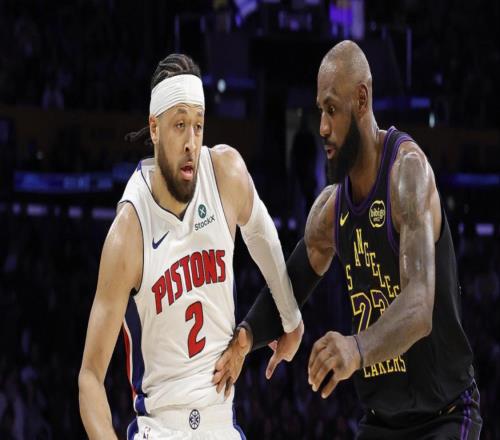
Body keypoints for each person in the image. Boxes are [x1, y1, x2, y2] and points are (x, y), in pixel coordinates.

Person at [213, 40, 482, 439]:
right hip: (380, 421)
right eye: (320, 111)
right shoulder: (330, 210)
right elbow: (288, 286)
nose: (322, 127)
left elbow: (419, 304)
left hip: (444, 416)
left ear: (361, 99)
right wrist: (246, 338)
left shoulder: (407, 173)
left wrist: (355, 349)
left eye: (332, 110)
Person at [78, 53, 303, 440]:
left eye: (198, 125)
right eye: (180, 125)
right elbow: (89, 378)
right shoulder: (129, 231)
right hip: (160, 428)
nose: (191, 142)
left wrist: (291, 318)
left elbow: (263, 236)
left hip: (221, 425)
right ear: (154, 128)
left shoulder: (225, 174)